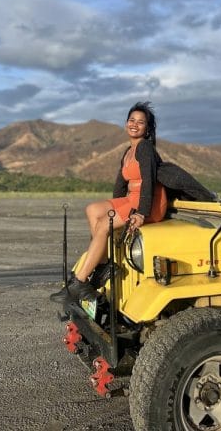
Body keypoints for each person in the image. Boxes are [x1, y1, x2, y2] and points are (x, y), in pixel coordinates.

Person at [51, 101, 167, 304]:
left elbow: (149, 181)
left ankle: (79, 282)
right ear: (126, 123)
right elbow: (120, 185)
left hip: (149, 203)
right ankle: (104, 264)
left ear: (147, 128)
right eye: (132, 120)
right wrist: (115, 205)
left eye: (141, 122)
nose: (135, 124)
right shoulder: (128, 151)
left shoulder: (145, 148)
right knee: (93, 210)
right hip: (132, 199)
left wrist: (141, 213)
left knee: (105, 224)